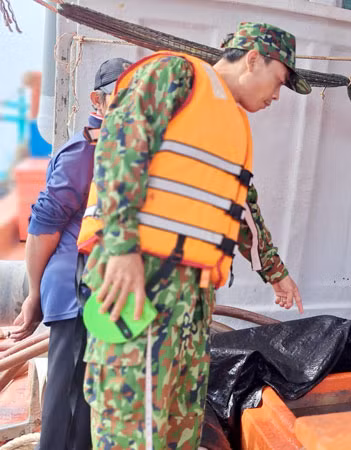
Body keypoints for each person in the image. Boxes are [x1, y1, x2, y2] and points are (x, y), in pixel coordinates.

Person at [77, 23, 309, 447]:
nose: (277, 96)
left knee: (179, 424)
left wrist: (276, 274)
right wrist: (122, 249)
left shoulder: (233, 127)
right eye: (278, 81)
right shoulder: (174, 74)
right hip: (141, 280)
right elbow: (120, 145)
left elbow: (243, 211)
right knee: (130, 425)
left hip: (193, 300)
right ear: (252, 59)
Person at [10, 58, 130, 450]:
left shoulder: (126, 152)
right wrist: (34, 295)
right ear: (97, 100)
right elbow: (43, 226)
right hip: (74, 291)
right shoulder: (83, 152)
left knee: (90, 403)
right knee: (67, 404)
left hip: (103, 294)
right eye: (120, 97)